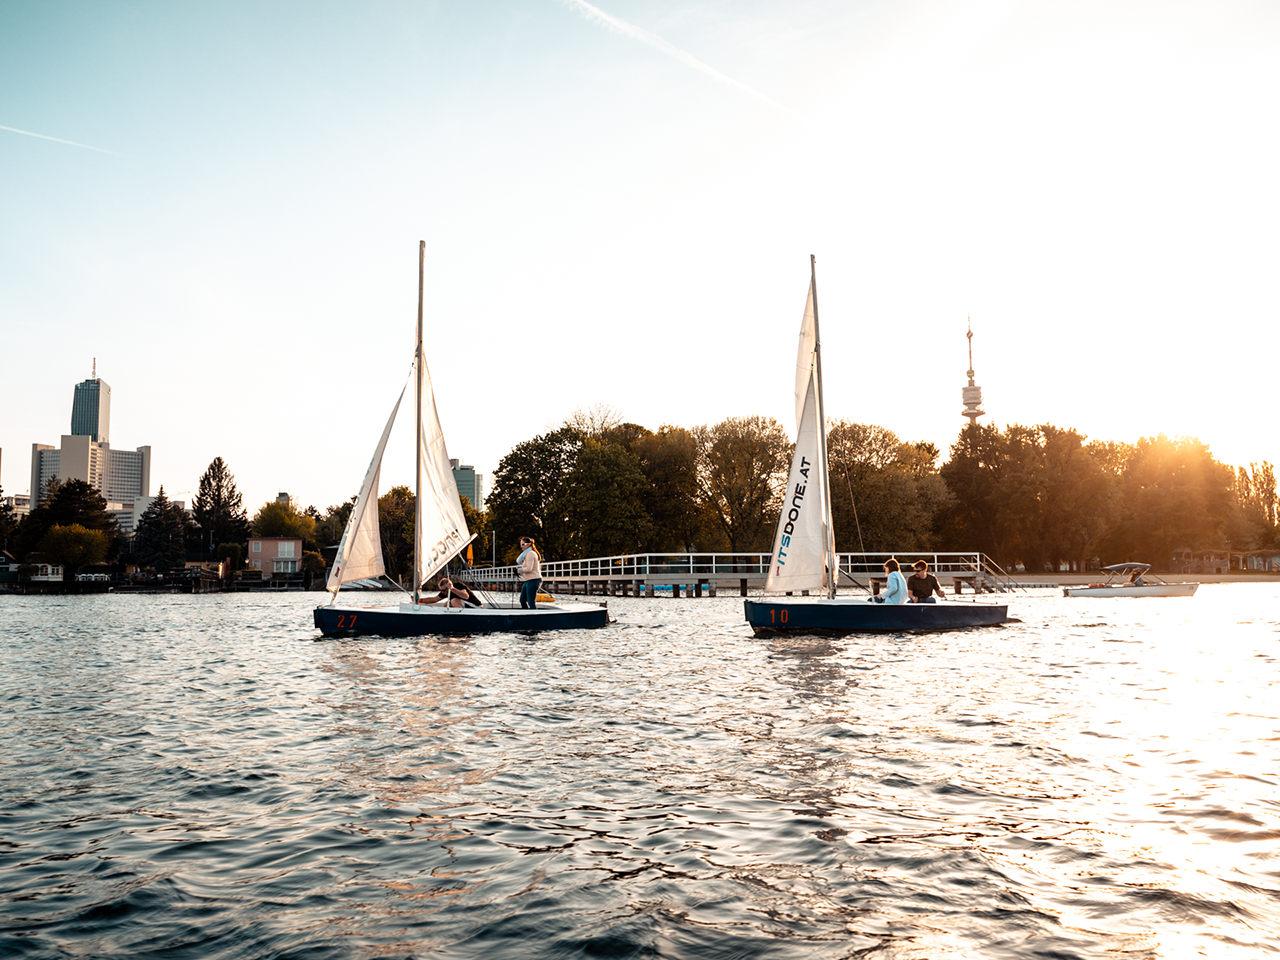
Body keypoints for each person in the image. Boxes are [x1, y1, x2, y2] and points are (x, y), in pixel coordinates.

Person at [516, 536, 542, 609]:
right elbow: (526, 569)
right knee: (522, 600)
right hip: (529, 580)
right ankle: (526, 615)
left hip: (534, 580)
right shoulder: (526, 554)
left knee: (531, 601)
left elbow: (529, 569)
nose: (521, 546)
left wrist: (518, 570)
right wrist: (519, 572)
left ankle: (534, 616)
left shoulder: (530, 554)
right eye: (520, 544)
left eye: (523, 544)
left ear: (529, 544)